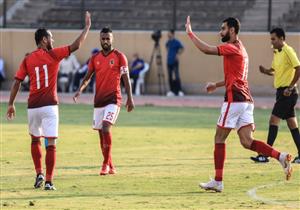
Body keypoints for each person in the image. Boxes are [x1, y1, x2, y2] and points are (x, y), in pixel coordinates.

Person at [185, 16, 292, 192]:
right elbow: (234, 78)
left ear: (232, 30)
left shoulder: (232, 47)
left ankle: (218, 181)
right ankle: (281, 157)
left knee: (219, 138)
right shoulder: (241, 48)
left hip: (234, 101)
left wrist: (190, 33)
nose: (221, 32)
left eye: (223, 28)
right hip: (246, 101)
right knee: (247, 141)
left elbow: (207, 50)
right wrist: (216, 85)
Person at [6, 11, 91, 190]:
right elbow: (76, 45)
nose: (52, 40)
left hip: (33, 107)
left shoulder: (28, 58)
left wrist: (11, 104)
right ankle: (49, 181)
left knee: (35, 140)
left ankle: (39, 174)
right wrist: (87, 28)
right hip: (50, 106)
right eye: (50, 37)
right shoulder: (54, 54)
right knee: (51, 143)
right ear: (44, 40)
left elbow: (16, 82)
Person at [73, 27, 134, 175]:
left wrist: (130, 98)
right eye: (103, 38)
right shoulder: (95, 58)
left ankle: (105, 164)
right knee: (101, 135)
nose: (105, 41)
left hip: (114, 99)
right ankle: (111, 165)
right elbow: (87, 77)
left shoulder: (120, 56)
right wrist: (80, 90)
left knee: (106, 128)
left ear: (112, 39)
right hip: (99, 101)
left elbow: (126, 79)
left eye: (108, 38)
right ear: (100, 39)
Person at [250, 28, 300, 164]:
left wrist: (290, 87)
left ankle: (265, 155)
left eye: (274, 39)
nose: (271, 41)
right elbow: (274, 71)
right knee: (292, 125)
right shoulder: (276, 52)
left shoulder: (288, 50)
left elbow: (298, 68)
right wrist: (265, 71)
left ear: (282, 38)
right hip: (281, 93)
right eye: (271, 39)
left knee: (273, 120)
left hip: (288, 93)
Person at [165, 29, 184, 96]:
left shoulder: (176, 42)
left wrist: (177, 54)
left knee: (176, 76)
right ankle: (171, 91)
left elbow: (182, 48)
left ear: (172, 34)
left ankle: (179, 91)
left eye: (169, 33)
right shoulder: (168, 42)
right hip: (169, 61)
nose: (168, 34)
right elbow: (166, 48)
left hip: (175, 61)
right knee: (170, 76)